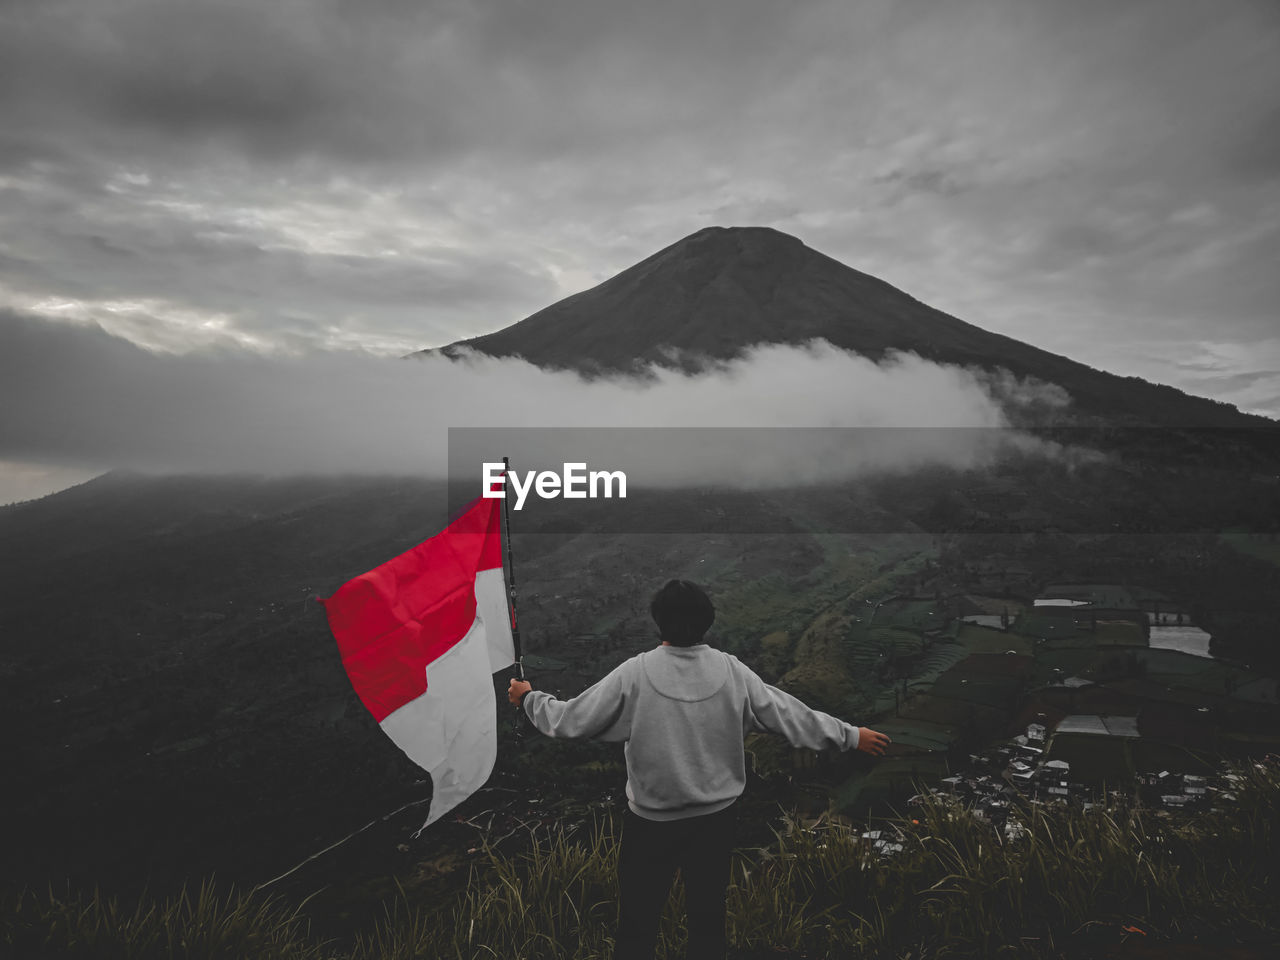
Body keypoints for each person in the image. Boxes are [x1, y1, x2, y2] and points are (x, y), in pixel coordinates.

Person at [507, 579, 891, 960]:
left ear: (659, 621)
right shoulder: (731, 671)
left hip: (650, 824)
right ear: (706, 621)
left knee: (637, 924)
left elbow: (571, 720)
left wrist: (528, 698)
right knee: (707, 923)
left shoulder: (635, 673)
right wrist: (851, 735)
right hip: (714, 821)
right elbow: (790, 715)